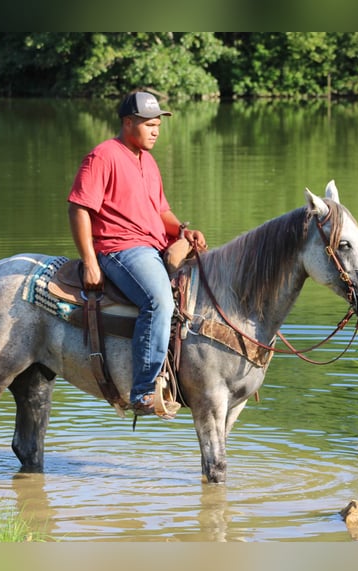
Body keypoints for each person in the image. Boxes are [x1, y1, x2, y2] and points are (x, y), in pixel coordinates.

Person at [68, 91, 206, 418]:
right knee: (159, 301)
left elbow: (161, 211)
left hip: (152, 245)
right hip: (121, 248)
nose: (156, 131)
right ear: (128, 122)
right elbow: (78, 208)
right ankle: (143, 390)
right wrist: (89, 261)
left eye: (158, 124)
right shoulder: (103, 156)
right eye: (149, 125)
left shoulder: (147, 159)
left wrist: (183, 231)